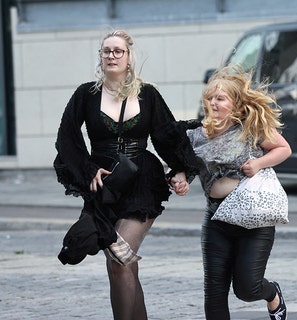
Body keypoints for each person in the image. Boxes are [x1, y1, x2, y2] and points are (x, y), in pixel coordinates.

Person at [53, 30, 198, 320]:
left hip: (142, 179)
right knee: (122, 264)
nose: (111, 56)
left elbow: (166, 134)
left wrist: (180, 170)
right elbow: (66, 137)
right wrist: (88, 168)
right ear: (100, 57)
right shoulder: (86, 94)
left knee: (119, 257)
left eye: (118, 51)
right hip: (104, 183)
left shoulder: (148, 94)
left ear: (129, 57)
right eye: (106, 51)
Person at [176, 64, 291, 320]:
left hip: (254, 219)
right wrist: (180, 178)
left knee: (247, 288)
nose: (213, 103)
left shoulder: (250, 128)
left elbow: (283, 149)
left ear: (236, 105)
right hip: (217, 219)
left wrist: (258, 163)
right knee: (215, 292)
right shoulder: (196, 136)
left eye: (220, 98)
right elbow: (182, 165)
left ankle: (272, 294)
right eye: (210, 98)